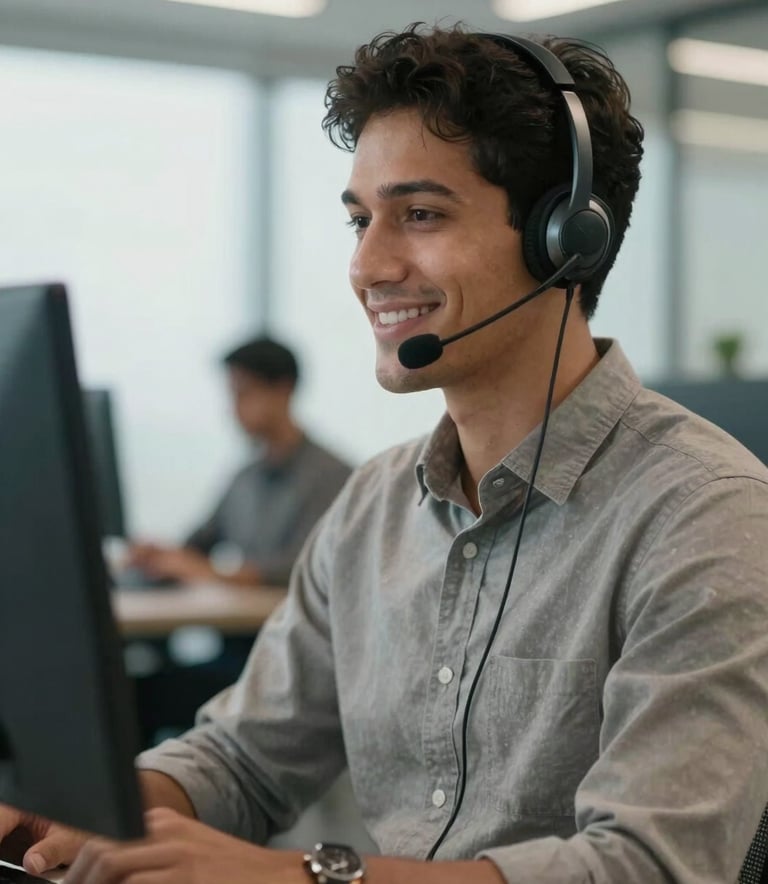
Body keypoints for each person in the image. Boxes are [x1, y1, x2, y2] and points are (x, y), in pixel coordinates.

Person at [2, 22, 768, 884]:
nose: (367, 264)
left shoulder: (708, 514)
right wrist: (85, 807)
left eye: (421, 215)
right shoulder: (372, 507)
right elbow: (243, 756)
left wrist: (305, 878)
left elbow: (651, 868)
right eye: (360, 220)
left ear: (565, 240)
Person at [126, 335, 353, 588]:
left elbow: (301, 568)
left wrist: (207, 572)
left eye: (243, 393)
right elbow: (198, 545)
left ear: (283, 390)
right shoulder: (246, 476)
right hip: (245, 620)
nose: (233, 408)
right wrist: (161, 556)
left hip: (289, 624)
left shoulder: (332, 476)